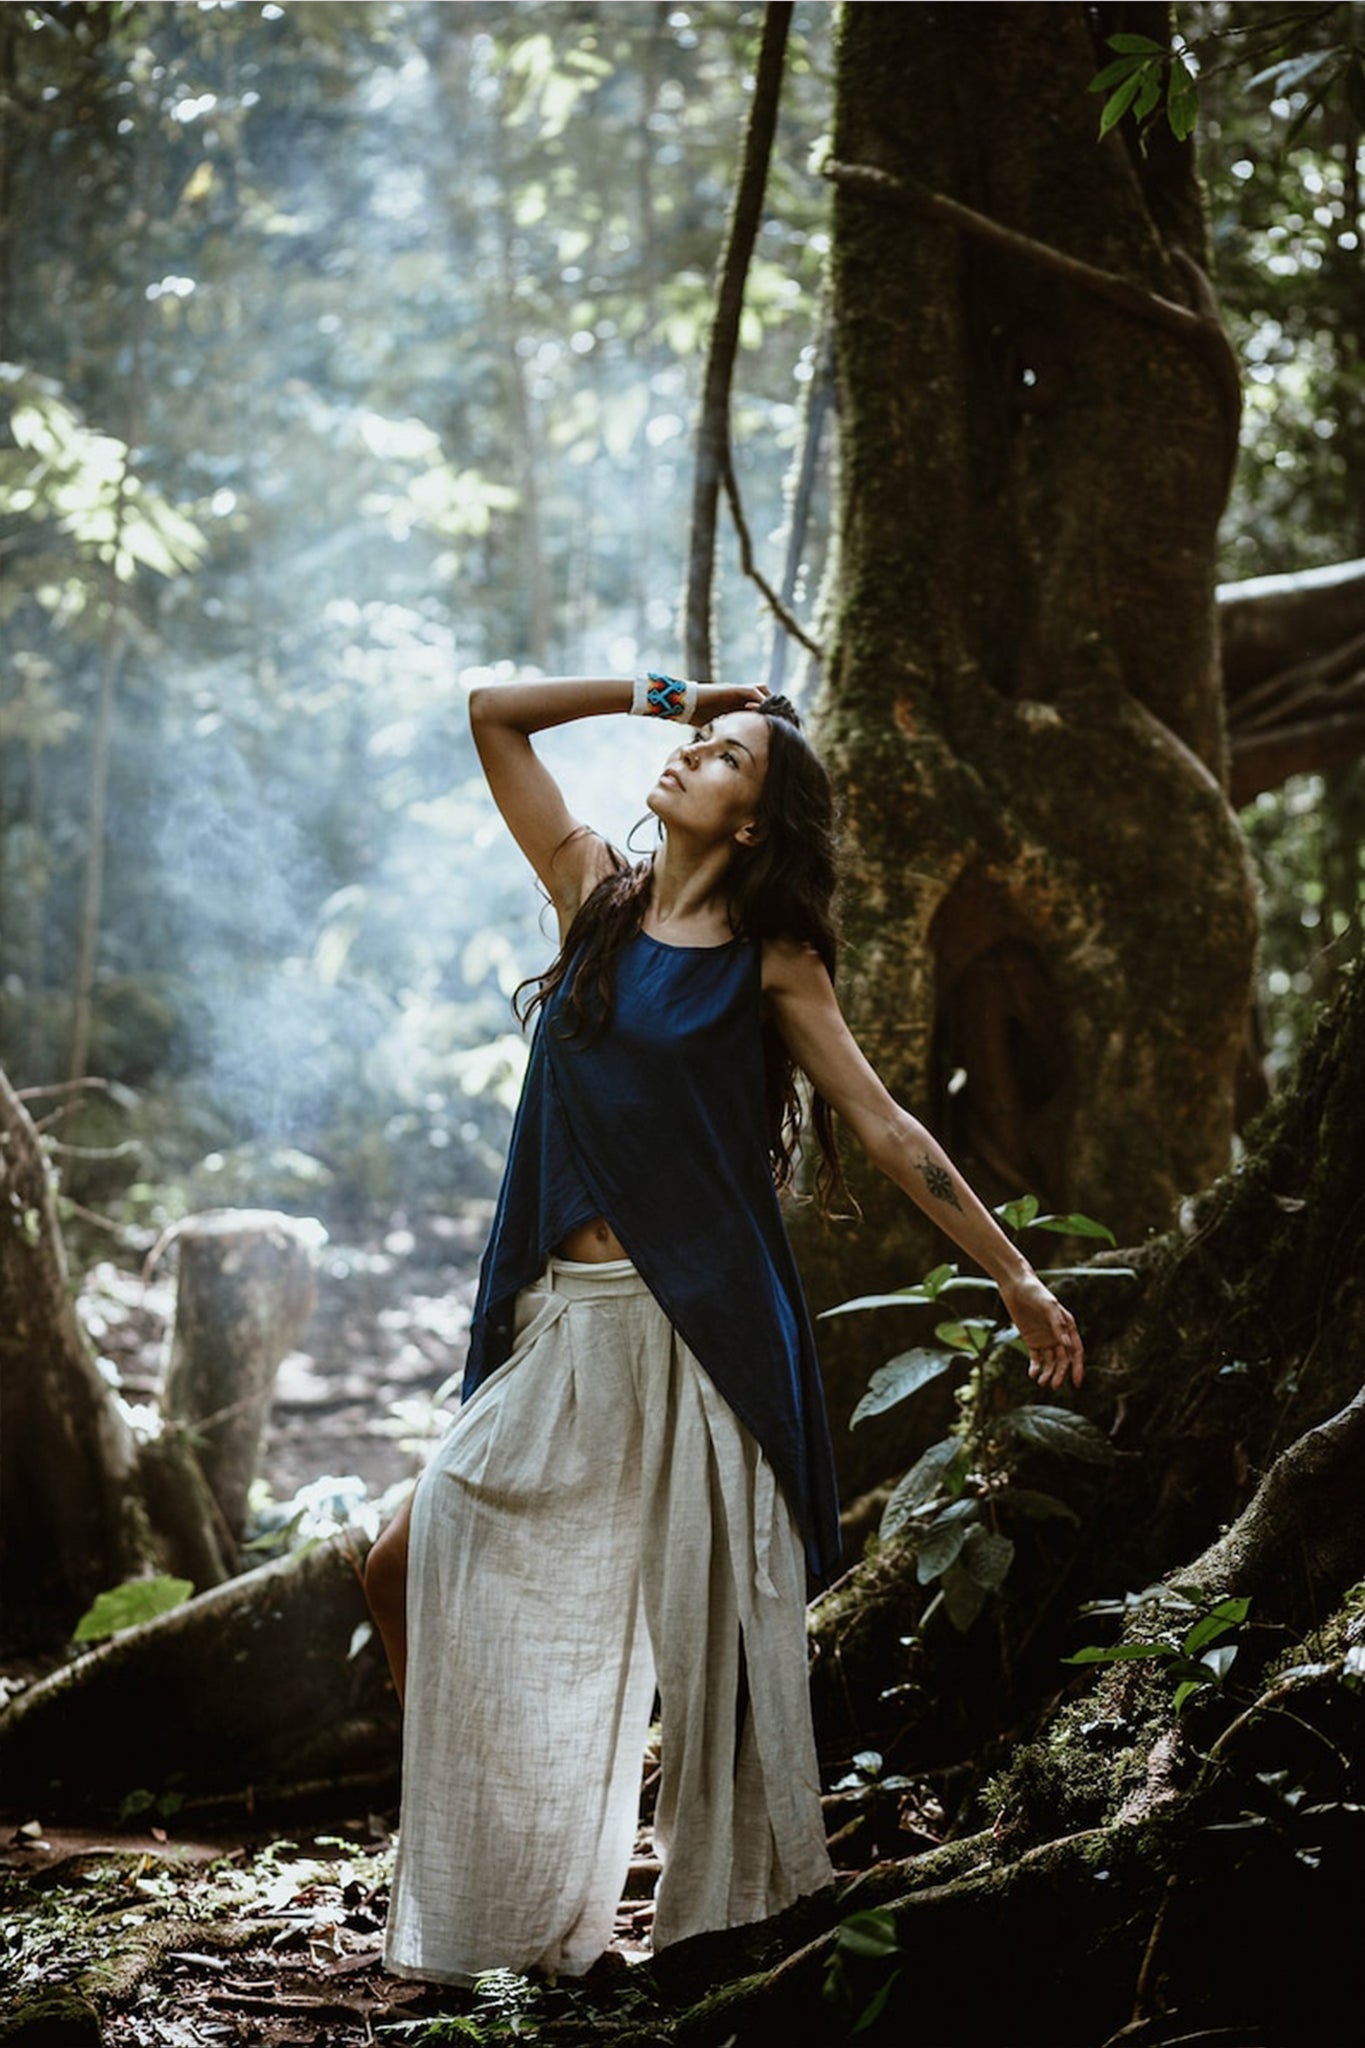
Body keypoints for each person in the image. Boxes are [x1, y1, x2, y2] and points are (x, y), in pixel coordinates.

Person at [364, 671, 1083, 1987]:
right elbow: (488, 712)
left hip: (708, 1335)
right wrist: (667, 691)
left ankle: (721, 1940)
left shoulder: (773, 960)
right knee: (409, 1552)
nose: (692, 757)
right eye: (698, 744)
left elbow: (886, 1127)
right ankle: (499, 1863)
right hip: (569, 1322)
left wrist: (1015, 1278)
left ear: (752, 823)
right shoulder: (592, 892)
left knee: (723, 1655)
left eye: (726, 757)